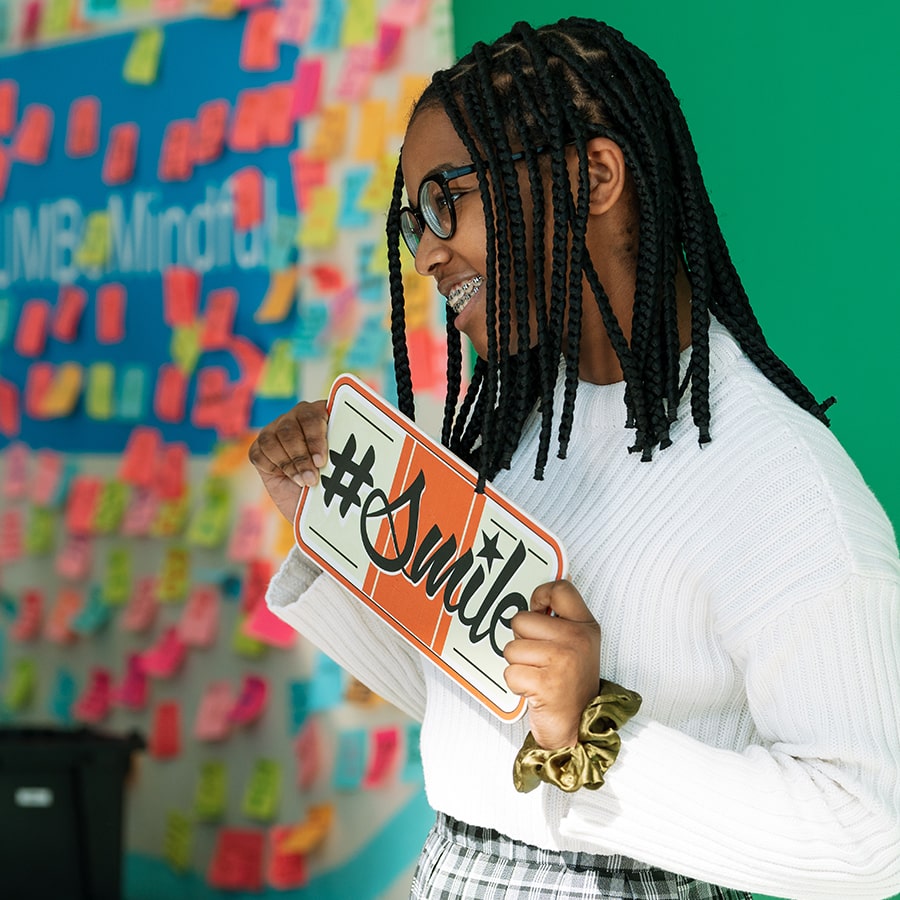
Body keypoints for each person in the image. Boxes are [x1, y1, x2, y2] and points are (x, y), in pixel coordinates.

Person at [249, 17, 900, 900]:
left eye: (449, 201)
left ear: (593, 176)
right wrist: (326, 526)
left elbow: (871, 833)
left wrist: (591, 735)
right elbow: (475, 716)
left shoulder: (783, 483)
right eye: (414, 224)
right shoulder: (521, 428)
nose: (429, 252)